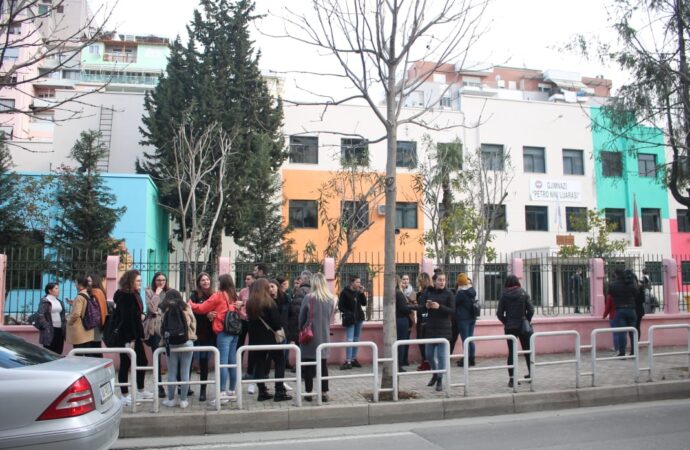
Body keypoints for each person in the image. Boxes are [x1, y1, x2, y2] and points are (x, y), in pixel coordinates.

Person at [189, 274, 243, 405]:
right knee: (232, 361)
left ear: (222, 283)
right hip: (235, 332)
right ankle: (231, 391)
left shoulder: (218, 295)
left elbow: (202, 309)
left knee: (222, 363)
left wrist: (190, 304)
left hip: (223, 332)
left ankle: (222, 393)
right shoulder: (234, 295)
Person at [246, 278, 292, 402]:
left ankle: (262, 392)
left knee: (260, 364)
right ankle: (279, 391)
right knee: (280, 362)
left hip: (255, 340)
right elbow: (276, 323)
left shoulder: (250, 303)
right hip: (271, 340)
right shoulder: (269, 302)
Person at [113, 269, 152, 405]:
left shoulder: (134, 294)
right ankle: (124, 395)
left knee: (142, 361)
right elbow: (126, 318)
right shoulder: (125, 295)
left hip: (135, 335)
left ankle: (140, 390)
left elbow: (135, 313)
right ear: (130, 281)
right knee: (125, 363)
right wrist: (130, 339)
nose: (140, 283)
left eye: (140, 280)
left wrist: (141, 316)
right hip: (127, 336)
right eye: (138, 281)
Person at [299, 273, 336, 402]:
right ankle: (324, 392)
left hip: (310, 337)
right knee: (323, 365)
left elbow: (301, 318)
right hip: (324, 336)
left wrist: (301, 328)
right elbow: (330, 317)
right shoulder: (331, 299)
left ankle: (309, 392)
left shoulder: (308, 298)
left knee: (309, 365)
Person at [159, 289, 197, 409]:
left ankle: (170, 400)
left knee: (172, 373)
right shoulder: (186, 307)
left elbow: (161, 328)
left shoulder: (165, 309)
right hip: (187, 343)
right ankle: (183, 400)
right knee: (185, 372)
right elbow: (193, 324)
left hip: (171, 345)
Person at [496, 275, 534, 388]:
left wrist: (506, 321)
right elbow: (531, 309)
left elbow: (499, 313)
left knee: (512, 352)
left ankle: (512, 379)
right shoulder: (523, 293)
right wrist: (527, 320)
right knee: (527, 351)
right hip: (523, 326)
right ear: (517, 282)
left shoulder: (504, 295)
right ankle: (531, 374)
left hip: (510, 327)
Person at [423, 271, 454, 391]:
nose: (442, 282)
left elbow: (452, 311)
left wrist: (439, 307)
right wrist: (426, 306)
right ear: (435, 281)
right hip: (431, 327)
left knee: (441, 356)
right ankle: (435, 373)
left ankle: (440, 379)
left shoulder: (449, 293)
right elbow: (421, 307)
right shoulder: (429, 292)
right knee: (429, 355)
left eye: (444, 280)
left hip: (444, 328)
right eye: (440, 280)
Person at [188, 272, 215, 402]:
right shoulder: (193, 296)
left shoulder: (214, 295)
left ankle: (203, 390)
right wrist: (206, 314)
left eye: (207, 279)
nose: (205, 282)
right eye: (203, 280)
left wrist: (212, 315)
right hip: (194, 334)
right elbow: (189, 311)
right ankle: (185, 387)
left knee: (204, 362)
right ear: (199, 282)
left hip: (208, 334)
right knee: (189, 360)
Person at [143, 272, 169, 398]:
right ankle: (159, 387)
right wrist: (157, 294)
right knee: (157, 357)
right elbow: (152, 309)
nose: (161, 282)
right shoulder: (149, 292)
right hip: (155, 329)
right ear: (154, 281)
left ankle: (177, 385)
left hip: (168, 327)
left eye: (163, 280)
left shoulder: (169, 292)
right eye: (158, 280)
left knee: (172, 356)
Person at [338, 275, 367, 370]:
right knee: (350, 340)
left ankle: (354, 359)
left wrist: (362, 293)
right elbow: (340, 306)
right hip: (350, 318)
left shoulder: (359, 292)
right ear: (352, 282)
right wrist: (348, 312)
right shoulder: (345, 292)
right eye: (357, 282)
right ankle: (348, 361)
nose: (359, 284)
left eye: (359, 282)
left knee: (356, 339)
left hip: (359, 318)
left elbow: (364, 303)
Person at [608, 268, 638, 357]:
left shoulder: (613, 285)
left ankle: (622, 352)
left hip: (620, 309)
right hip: (631, 309)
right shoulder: (631, 284)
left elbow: (611, 294)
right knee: (633, 332)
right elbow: (636, 294)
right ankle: (634, 351)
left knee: (622, 332)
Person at [66, 277, 98, 351]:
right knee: (85, 352)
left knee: (78, 352)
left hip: (79, 330)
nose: (75, 285)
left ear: (80, 285)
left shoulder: (80, 296)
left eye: (76, 283)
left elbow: (76, 314)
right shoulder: (87, 294)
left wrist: (69, 321)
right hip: (87, 329)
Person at [395, 276, 419, 372]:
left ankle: (399, 363)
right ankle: (399, 365)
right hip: (402, 320)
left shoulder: (393, 293)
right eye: (402, 281)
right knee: (401, 343)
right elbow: (403, 308)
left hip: (397, 320)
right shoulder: (399, 294)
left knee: (399, 343)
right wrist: (414, 307)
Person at [238, 273, 257, 393]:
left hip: (254, 321)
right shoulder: (243, 292)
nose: (246, 281)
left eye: (248, 279)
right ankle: (237, 369)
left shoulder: (257, 291)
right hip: (243, 321)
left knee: (253, 346)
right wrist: (242, 315)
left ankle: (250, 372)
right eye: (245, 278)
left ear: (254, 280)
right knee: (239, 345)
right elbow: (238, 305)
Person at [36, 282, 66, 354]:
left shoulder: (59, 302)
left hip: (59, 330)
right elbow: (41, 315)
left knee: (59, 351)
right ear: (50, 290)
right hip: (50, 330)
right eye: (56, 288)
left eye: (58, 288)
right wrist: (47, 326)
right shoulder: (45, 301)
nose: (58, 290)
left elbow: (62, 315)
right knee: (49, 352)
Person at [454, 273, 478, 367]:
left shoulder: (461, 293)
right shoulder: (471, 290)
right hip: (472, 317)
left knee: (465, 340)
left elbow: (454, 302)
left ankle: (466, 360)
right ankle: (472, 359)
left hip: (463, 318)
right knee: (470, 339)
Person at [415, 272, 432, 371]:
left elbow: (424, 306)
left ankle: (426, 362)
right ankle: (425, 361)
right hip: (421, 318)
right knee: (421, 341)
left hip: (424, 320)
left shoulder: (427, 292)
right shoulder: (422, 292)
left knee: (423, 341)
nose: (417, 282)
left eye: (419, 280)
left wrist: (414, 306)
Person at [88, 274, 108, 356]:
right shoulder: (100, 292)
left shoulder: (94, 292)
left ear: (94, 282)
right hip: (99, 323)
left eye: (89, 281)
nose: (87, 283)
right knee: (96, 348)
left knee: (94, 349)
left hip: (95, 324)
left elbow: (94, 310)